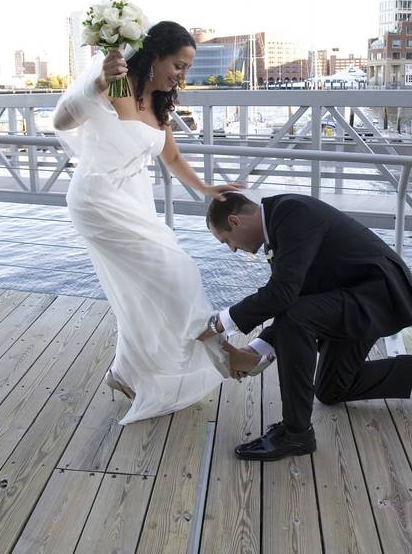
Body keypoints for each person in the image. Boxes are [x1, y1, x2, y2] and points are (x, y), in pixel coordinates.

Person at [51, 21, 271, 424]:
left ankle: (124, 373)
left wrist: (206, 189)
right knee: (178, 274)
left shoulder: (159, 104)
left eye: (187, 67)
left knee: (143, 293)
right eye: (178, 64)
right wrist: (96, 83)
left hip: (129, 204)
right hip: (97, 200)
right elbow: (62, 122)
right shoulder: (119, 88)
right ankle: (222, 355)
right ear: (154, 57)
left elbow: (171, 158)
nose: (182, 75)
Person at [202, 192, 412, 461]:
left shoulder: (291, 212)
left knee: (298, 318)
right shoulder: (279, 221)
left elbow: (284, 297)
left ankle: (296, 434)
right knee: (332, 390)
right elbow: (292, 295)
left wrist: (219, 323)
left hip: (378, 296)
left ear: (235, 221)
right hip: (348, 296)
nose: (232, 249)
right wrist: (256, 350)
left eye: (226, 240)